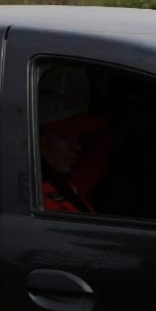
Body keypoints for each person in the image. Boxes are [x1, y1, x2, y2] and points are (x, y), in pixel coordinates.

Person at [38, 65, 112, 213]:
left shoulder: (65, 184)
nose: (77, 146)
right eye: (64, 135)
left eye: (78, 137)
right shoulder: (40, 201)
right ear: (37, 136)